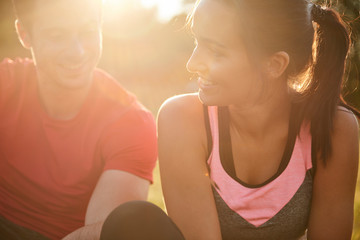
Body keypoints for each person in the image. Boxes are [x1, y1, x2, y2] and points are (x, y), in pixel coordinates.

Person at [157, 0, 360, 239]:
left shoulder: (335, 129)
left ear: (275, 65)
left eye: (216, 52)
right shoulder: (182, 120)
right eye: (196, 41)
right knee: (133, 218)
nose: (192, 64)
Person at [0, 0, 157, 239]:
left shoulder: (132, 122)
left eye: (88, 33)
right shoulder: (6, 83)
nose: (78, 52)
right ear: (24, 34)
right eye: (57, 35)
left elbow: (108, 231)